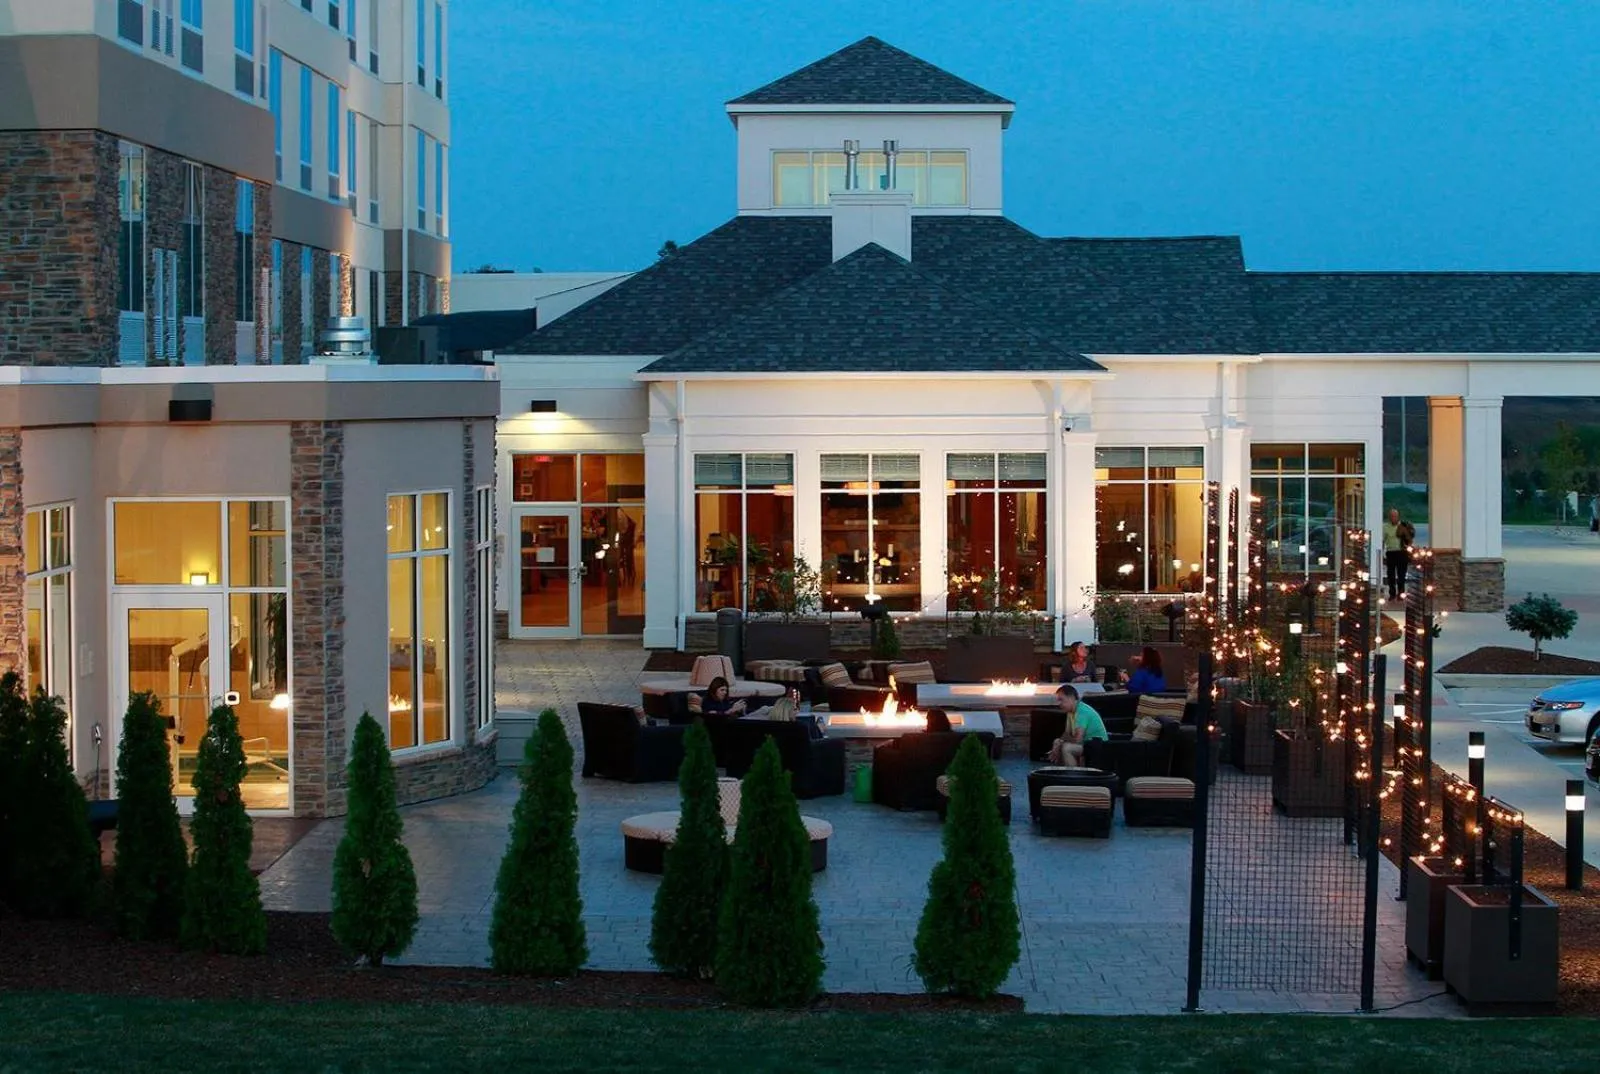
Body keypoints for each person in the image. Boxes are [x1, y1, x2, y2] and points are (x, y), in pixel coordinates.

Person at [1047, 684, 1108, 767]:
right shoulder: (1070, 712)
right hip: (1086, 744)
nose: (1059, 703)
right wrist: (1058, 742)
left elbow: (1078, 740)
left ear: (1071, 698)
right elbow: (1066, 734)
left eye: (1061, 700)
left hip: (1098, 746)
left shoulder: (1082, 711)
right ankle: (1061, 774)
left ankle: (1074, 776)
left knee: (1067, 748)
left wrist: (1061, 743)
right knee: (1058, 742)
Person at [1382, 507, 1416, 600]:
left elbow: (1410, 538)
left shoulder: (1404, 526)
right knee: (1391, 575)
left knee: (1401, 575)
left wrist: (1409, 547)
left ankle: (1401, 594)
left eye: (1395, 516)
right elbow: (1382, 540)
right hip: (1391, 553)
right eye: (1392, 516)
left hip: (1402, 553)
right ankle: (1392, 594)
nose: (1393, 518)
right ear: (1389, 517)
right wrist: (1381, 553)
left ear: (1398, 516)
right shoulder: (1385, 527)